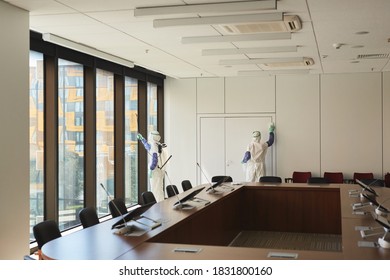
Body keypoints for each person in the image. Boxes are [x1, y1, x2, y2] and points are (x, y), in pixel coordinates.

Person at [137, 131, 168, 202]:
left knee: (155, 189)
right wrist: (142, 139)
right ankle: (160, 203)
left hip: (155, 171)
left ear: (152, 136)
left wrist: (151, 169)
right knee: (159, 188)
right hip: (159, 170)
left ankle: (157, 204)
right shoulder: (157, 144)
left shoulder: (155, 147)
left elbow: (154, 160)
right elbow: (148, 147)